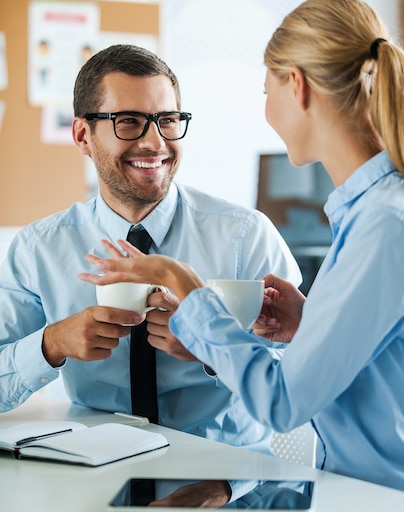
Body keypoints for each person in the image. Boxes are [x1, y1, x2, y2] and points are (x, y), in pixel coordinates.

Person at [79, 0, 404, 495]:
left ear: (297, 86)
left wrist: (186, 287)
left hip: (383, 508)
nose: (266, 111)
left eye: (266, 90)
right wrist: (312, 327)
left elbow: (280, 404)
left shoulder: (383, 224)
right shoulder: (379, 213)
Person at [0, 44, 301, 461]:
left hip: (226, 474)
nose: (155, 142)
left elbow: (306, 374)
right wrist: (52, 343)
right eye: (129, 122)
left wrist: (214, 348)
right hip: (91, 473)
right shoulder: (39, 249)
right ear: (83, 136)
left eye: (168, 121)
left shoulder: (245, 236)